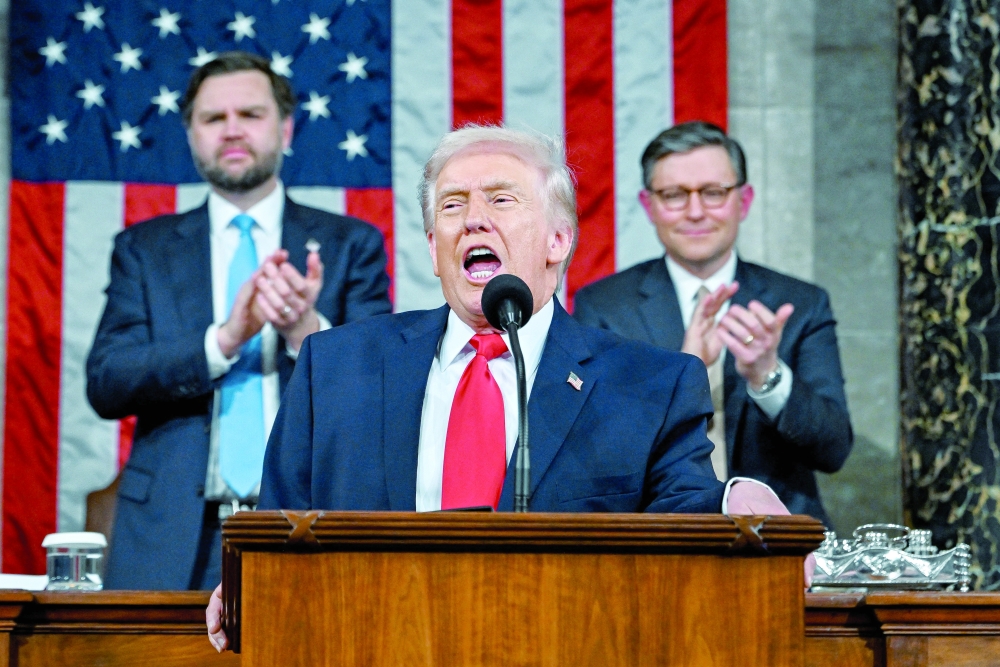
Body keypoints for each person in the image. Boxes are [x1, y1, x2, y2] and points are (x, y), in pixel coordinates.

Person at [204, 124, 798, 651]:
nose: (474, 219)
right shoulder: (335, 367)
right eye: (453, 205)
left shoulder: (649, 383)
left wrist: (732, 496)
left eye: (502, 200)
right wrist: (247, 579)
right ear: (435, 250)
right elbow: (277, 528)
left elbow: (678, 517)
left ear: (558, 242)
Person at [85, 51, 392, 590]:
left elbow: (383, 391)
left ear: (286, 127)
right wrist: (223, 340)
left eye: (250, 115)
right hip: (174, 533)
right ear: (190, 134)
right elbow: (107, 381)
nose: (231, 131)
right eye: (212, 118)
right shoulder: (144, 249)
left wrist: (306, 330)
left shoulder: (350, 245)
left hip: (308, 522)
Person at [573, 121, 853, 527]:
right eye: (674, 195)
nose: (695, 211)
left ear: (744, 199)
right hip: (659, 537)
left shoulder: (800, 304)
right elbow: (596, 454)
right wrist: (684, 372)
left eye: (713, 193)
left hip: (779, 540)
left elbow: (833, 450)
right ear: (649, 205)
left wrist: (767, 376)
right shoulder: (605, 306)